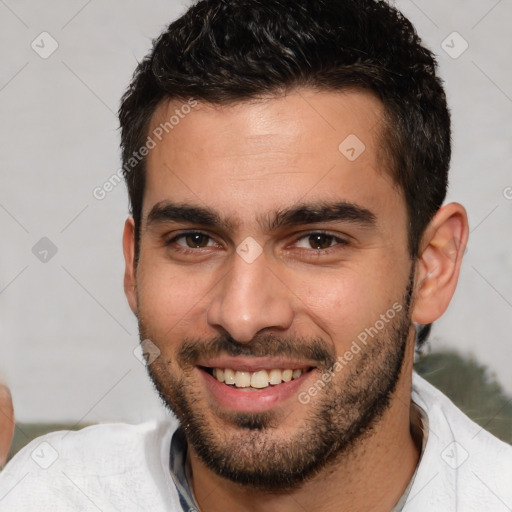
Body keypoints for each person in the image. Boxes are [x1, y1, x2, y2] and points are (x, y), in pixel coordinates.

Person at [0, 0, 510, 510]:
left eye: (317, 241)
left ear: (432, 267)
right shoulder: (42, 494)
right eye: (194, 240)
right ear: (134, 265)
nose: (243, 316)